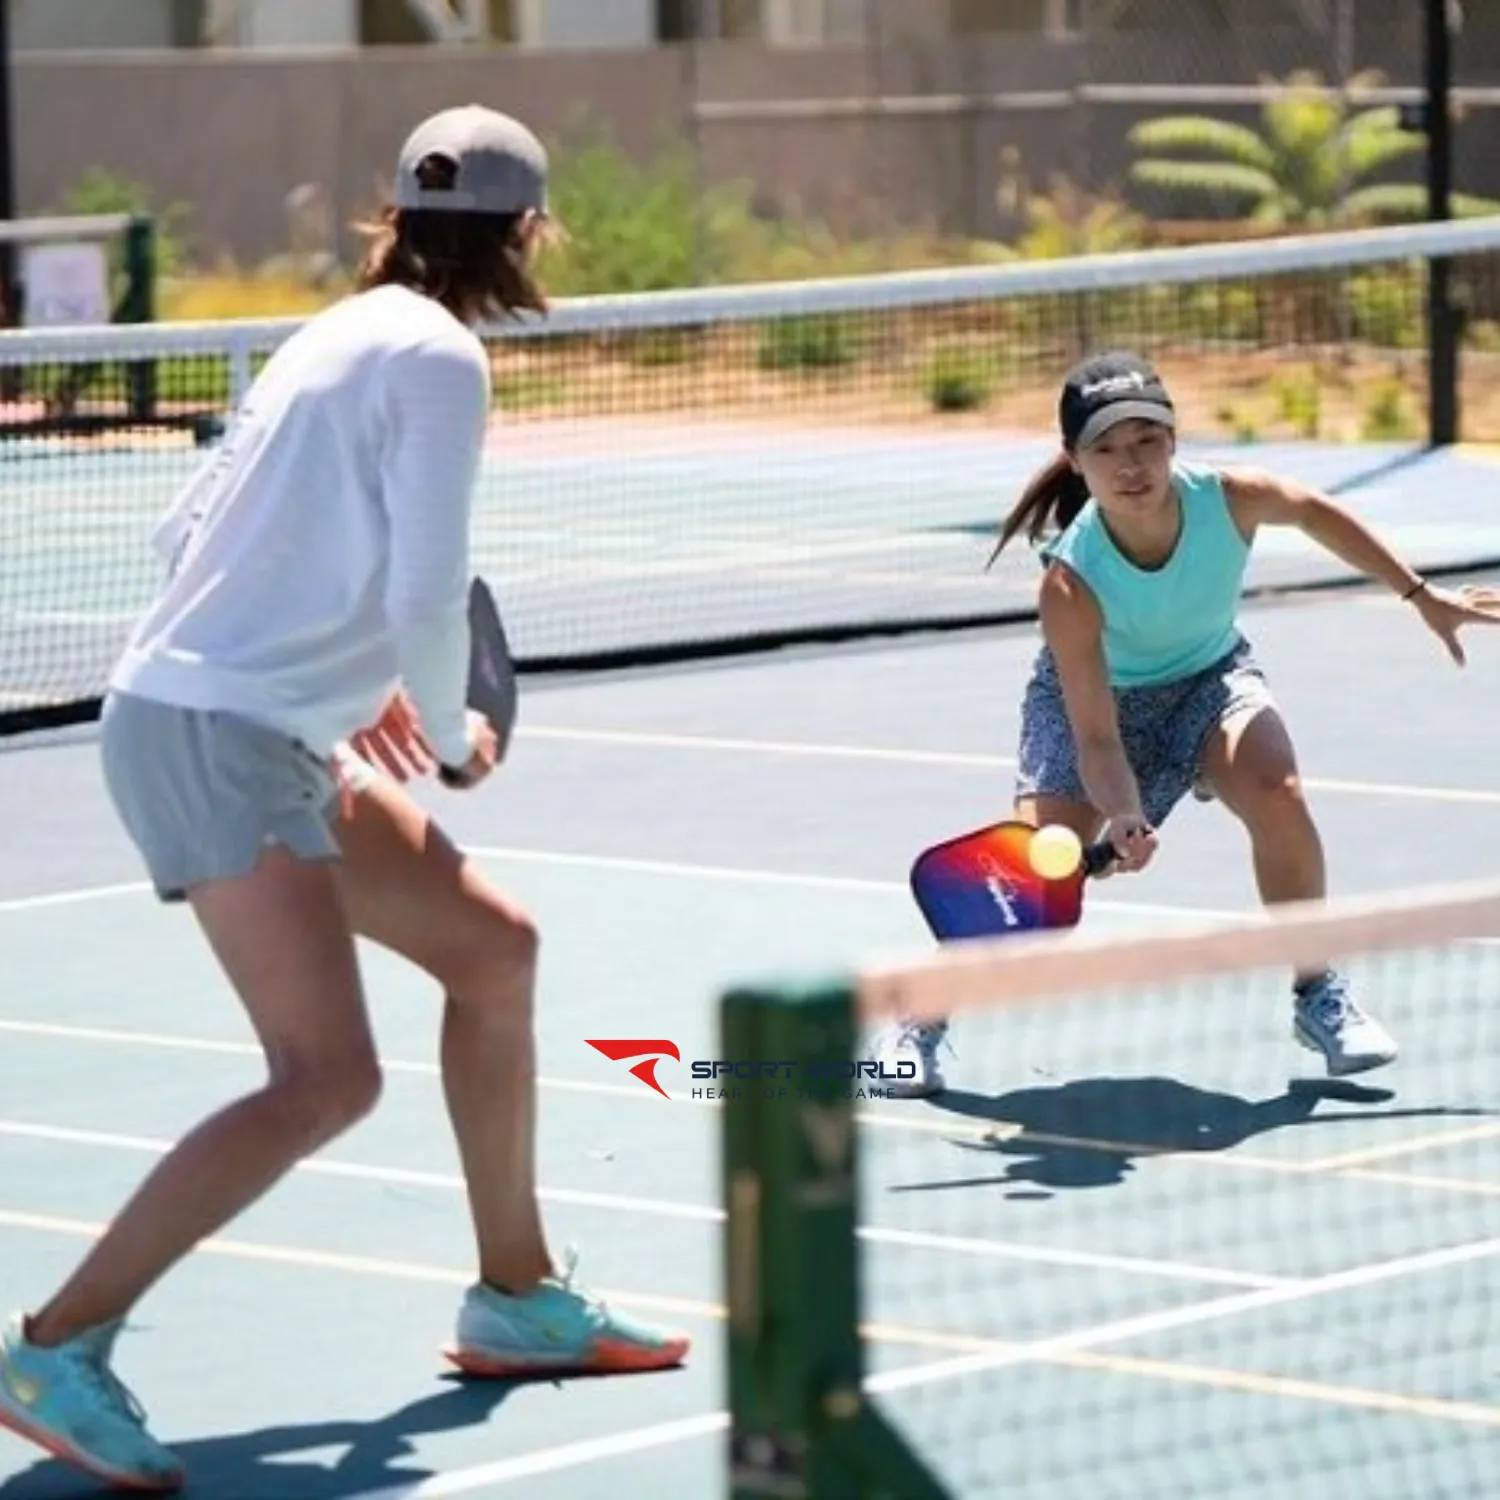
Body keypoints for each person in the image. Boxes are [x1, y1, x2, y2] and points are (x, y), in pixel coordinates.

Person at [0, 105, 688, 1493]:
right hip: (217, 734)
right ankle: (55, 1348)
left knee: (493, 950)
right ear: (527, 232)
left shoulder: (333, 332)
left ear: (395, 219)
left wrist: (339, 670)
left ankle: (515, 1297)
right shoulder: (440, 363)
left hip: (240, 717)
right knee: (327, 1077)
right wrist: (451, 731)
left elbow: (187, 529)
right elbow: (429, 589)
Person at [877, 350, 1500, 1100]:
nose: (1130, 464)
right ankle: (919, 1018)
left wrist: (1419, 594)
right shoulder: (1071, 582)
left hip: (1210, 680)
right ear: (1075, 461)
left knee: (1279, 788)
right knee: (1037, 883)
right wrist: (1126, 813)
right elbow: (1099, 737)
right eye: (1105, 448)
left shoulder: (1228, 498)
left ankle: (1317, 989)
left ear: (1173, 440)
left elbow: (1313, 511)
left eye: (1146, 440)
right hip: (1101, 708)